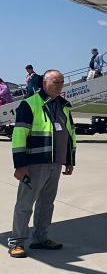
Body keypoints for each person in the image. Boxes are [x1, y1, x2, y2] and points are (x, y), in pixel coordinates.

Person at [8, 70, 76, 258]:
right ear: (44, 83)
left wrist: (69, 160)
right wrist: (20, 165)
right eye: (55, 82)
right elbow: (19, 135)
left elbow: (70, 134)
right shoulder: (29, 104)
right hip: (34, 164)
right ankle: (17, 242)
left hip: (55, 163)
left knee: (47, 203)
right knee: (25, 204)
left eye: (61, 82)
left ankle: (40, 238)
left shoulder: (64, 106)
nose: (59, 85)